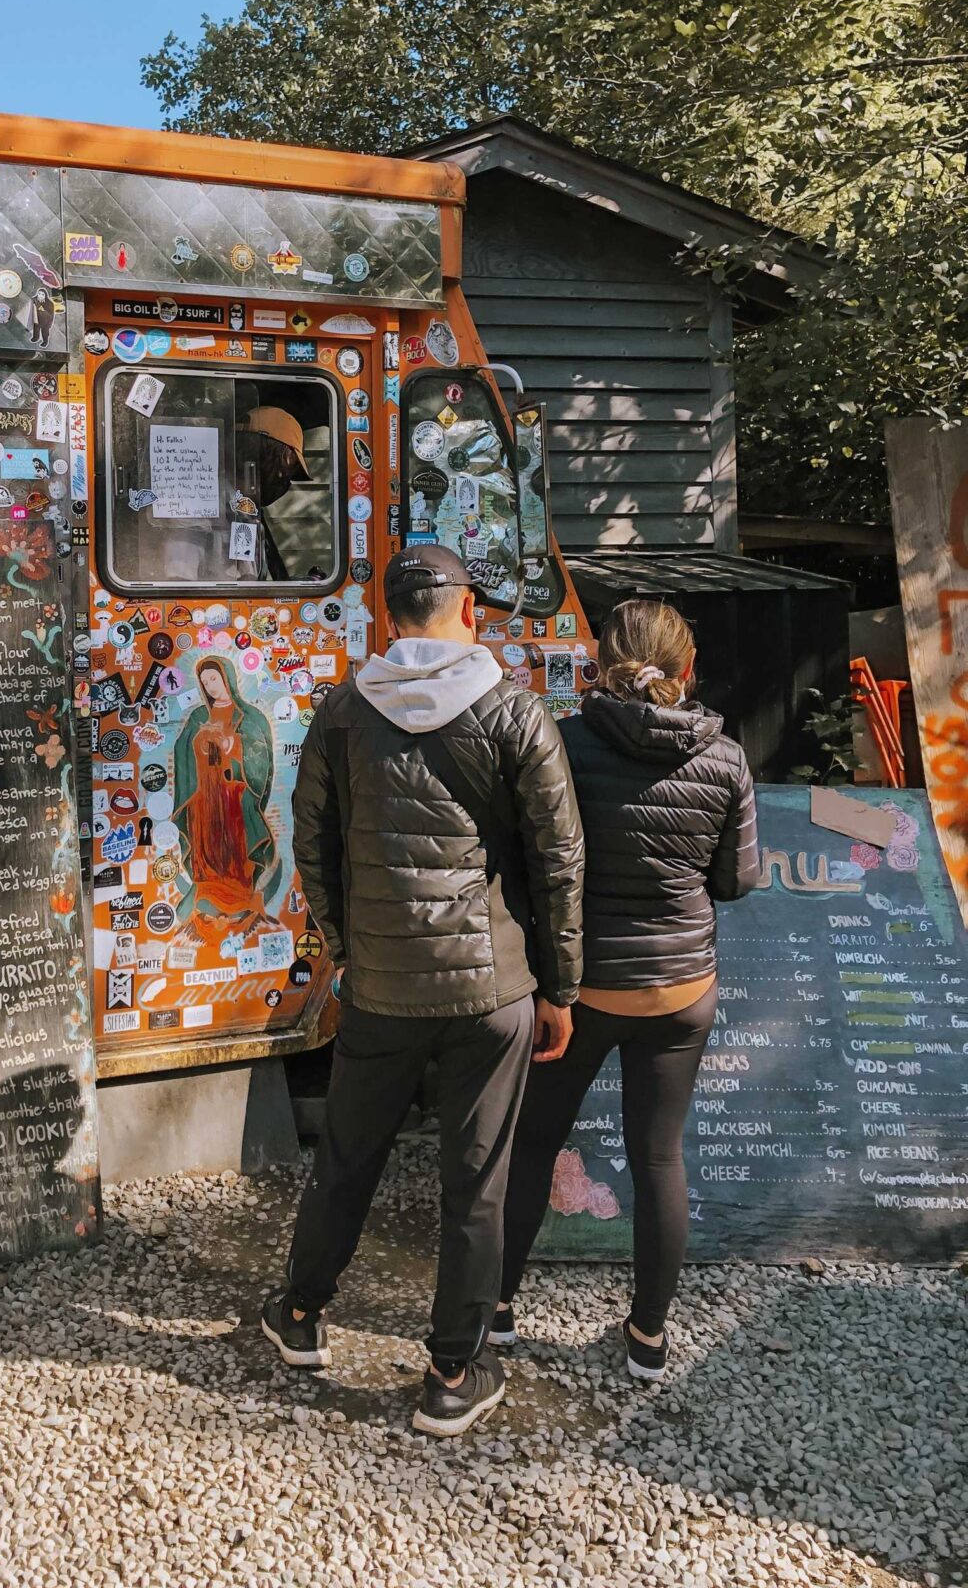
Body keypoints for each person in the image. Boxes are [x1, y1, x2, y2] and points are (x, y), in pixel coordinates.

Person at [260, 545, 584, 1438]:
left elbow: (312, 844)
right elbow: (559, 859)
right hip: (494, 987)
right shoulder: (517, 713)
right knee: (475, 1180)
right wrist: (561, 984)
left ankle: (299, 1315)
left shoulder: (340, 711)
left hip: (382, 987)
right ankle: (452, 1371)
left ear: (386, 612)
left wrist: (348, 949)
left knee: (348, 1157)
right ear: (468, 609)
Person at [494, 599, 759, 1382]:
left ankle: (499, 1310)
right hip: (681, 991)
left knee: (533, 1144)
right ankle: (648, 1337)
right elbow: (737, 882)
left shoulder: (566, 745)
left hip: (577, 992)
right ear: (689, 665)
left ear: (600, 662)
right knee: (659, 1158)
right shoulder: (726, 757)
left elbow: (531, 859)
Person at [171, 655, 281, 920]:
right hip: (203, 797)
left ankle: (240, 896)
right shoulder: (199, 716)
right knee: (206, 848)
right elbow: (182, 749)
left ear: (228, 678)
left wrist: (235, 748)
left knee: (235, 848)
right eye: (205, 681)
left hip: (234, 796)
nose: (209, 686)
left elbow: (261, 756)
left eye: (214, 678)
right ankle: (205, 892)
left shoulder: (249, 716)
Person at [236, 403, 311, 581]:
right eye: (289, 468)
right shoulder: (230, 511)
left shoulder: (246, 510)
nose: (284, 477)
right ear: (285, 456)